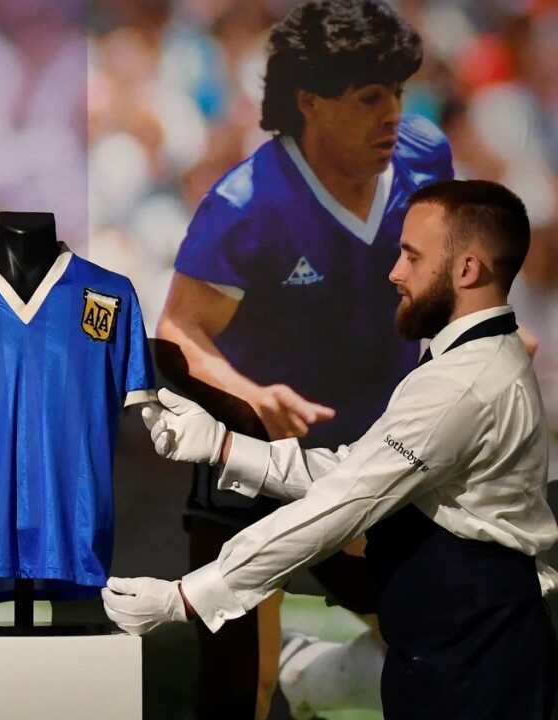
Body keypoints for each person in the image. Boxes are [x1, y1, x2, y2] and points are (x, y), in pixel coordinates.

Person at [106, 179, 558, 719]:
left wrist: (190, 596)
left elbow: (341, 505)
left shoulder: (463, 384)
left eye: (412, 256)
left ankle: (312, 676)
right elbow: (355, 471)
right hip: (462, 647)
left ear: (467, 270)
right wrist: (223, 446)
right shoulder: (468, 361)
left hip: (476, 662)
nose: (395, 272)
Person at [155, 0, 452, 715]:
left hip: (374, 463)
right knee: (241, 690)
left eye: (398, 93)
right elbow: (178, 334)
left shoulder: (425, 158)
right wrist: (251, 396)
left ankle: (308, 675)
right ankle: (275, 672)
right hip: (252, 472)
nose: (393, 114)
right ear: (310, 102)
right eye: (370, 98)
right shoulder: (245, 207)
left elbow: (443, 275)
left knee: (445, 652)